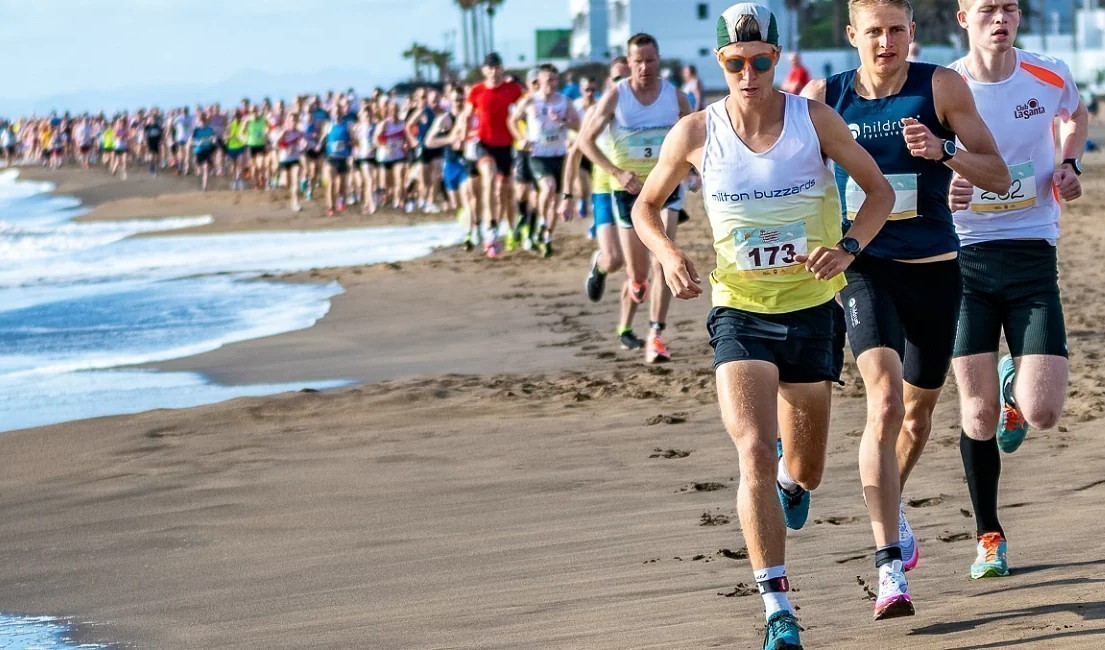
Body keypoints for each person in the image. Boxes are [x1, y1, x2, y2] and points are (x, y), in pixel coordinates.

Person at [633, 5, 893, 647]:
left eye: (760, 61)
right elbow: (644, 207)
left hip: (810, 309)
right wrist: (668, 256)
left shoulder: (815, 120)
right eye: (735, 63)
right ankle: (777, 606)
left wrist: (850, 247)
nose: (748, 73)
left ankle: (788, 483)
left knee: (803, 470)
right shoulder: (695, 133)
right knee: (751, 446)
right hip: (739, 311)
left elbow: (879, 192)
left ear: (776, 58)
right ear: (719, 64)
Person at [801, 0, 1010, 619]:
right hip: (862, 267)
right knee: (885, 400)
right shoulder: (825, 97)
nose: (886, 41)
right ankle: (889, 565)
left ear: (912, 33)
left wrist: (944, 151)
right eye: (874, 31)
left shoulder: (940, 85)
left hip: (936, 274)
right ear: (852, 36)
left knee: (916, 419)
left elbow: (997, 174)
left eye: (897, 30)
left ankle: (891, 510)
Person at [947, 0, 1088, 580]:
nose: (1001, 17)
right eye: (988, 9)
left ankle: (1017, 387)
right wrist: (946, 189)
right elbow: (923, 154)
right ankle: (989, 536)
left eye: (1010, 7)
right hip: (965, 259)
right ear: (963, 18)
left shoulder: (1049, 73)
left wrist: (1069, 162)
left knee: (1045, 411)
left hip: (1032, 252)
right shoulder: (945, 86)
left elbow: (1076, 115)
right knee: (977, 418)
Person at [575, 34, 692, 363]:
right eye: (637, 61)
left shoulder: (676, 98)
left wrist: (693, 171)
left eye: (650, 60)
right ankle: (613, 283)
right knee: (638, 275)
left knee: (663, 258)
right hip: (627, 191)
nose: (644, 67)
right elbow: (585, 141)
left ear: (659, 59)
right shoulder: (616, 96)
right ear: (628, 63)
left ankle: (656, 334)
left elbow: (695, 136)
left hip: (665, 187)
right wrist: (616, 172)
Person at [461, 52, 525, 258]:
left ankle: (510, 227)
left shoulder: (512, 89)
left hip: (506, 146)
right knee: (488, 179)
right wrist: (462, 135)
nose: (493, 71)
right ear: (484, 70)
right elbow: (467, 114)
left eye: (497, 67)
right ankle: (491, 230)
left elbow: (527, 106)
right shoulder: (477, 91)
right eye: (489, 67)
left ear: (502, 69)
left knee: (504, 191)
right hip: (484, 144)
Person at [191, 113, 217, 191]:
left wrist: (213, 140)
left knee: (206, 168)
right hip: (198, 151)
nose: (202, 121)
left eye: (204, 119)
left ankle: (205, 187)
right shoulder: (196, 129)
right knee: (199, 170)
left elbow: (214, 136)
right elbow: (191, 140)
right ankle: (200, 180)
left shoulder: (210, 128)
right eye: (201, 119)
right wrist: (197, 143)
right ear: (199, 120)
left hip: (207, 150)